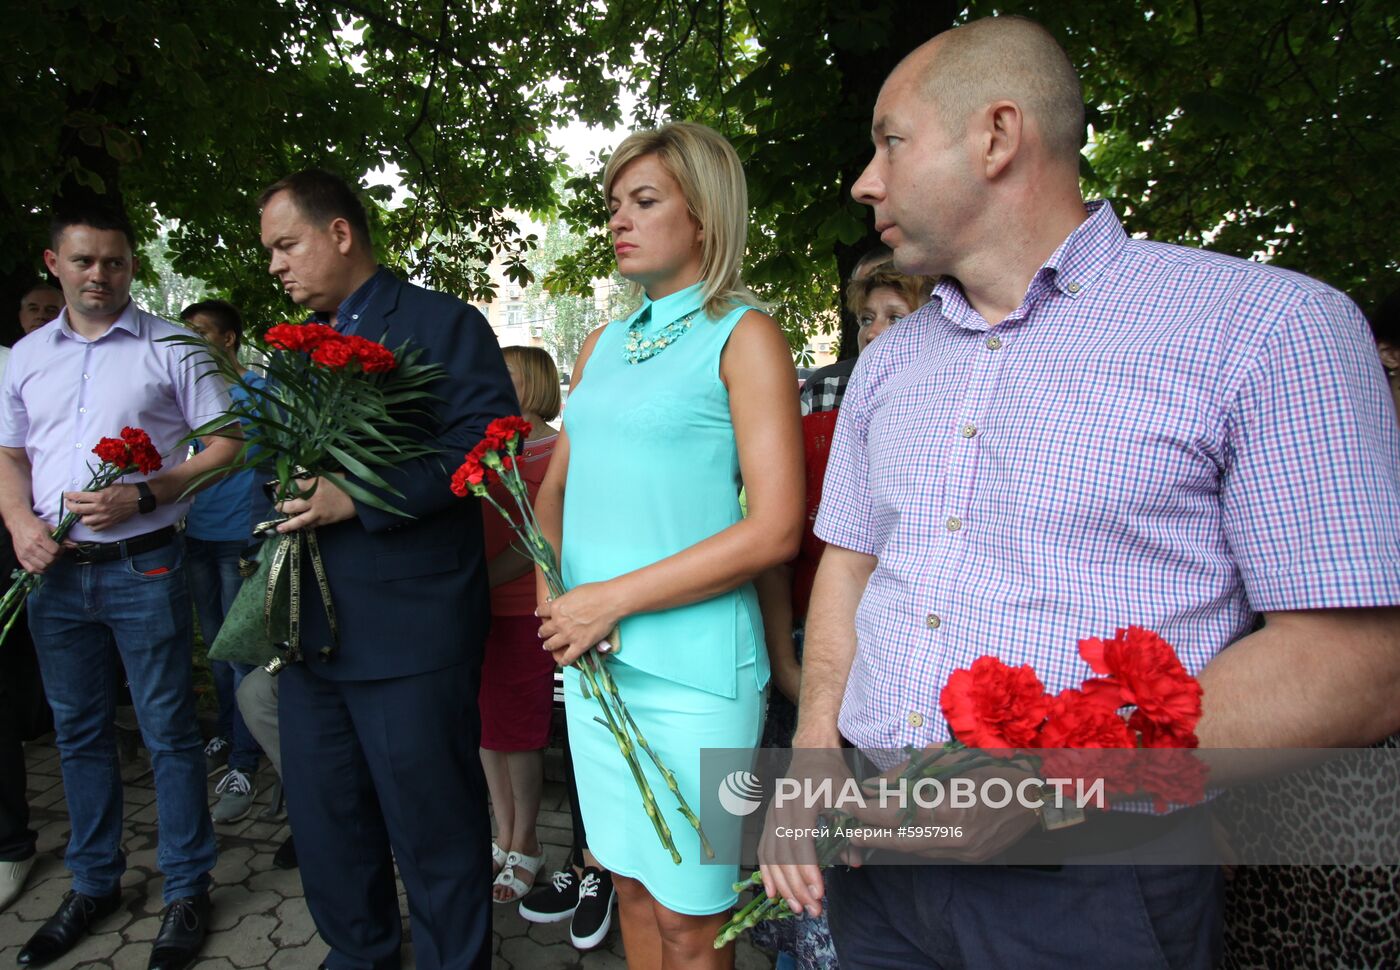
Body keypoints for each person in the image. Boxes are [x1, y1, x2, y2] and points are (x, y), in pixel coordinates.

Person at [761, 15, 1400, 970]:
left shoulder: (1268, 328)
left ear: (998, 135)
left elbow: (1359, 665)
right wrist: (815, 750)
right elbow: (852, 567)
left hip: (1096, 876)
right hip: (878, 866)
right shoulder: (890, 367)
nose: (865, 178)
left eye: (890, 140)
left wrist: (1045, 783)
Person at [535, 121, 804, 969]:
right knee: (629, 885)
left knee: (694, 916)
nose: (618, 218)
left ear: (706, 216)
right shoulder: (601, 345)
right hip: (594, 665)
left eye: (644, 200)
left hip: (696, 679)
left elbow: (775, 528)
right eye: (614, 203)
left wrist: (608, 599)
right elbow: (554, 493)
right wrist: (555, 600)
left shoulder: (745, 334)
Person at [258, 168, 517, 970]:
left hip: (411, 634)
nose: (275, 266)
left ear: (340, 234)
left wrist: (357, 496)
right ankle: (360, 952)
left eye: (285, 245)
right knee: (330, 822)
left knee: (434, 826)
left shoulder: (442, 323)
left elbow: (490, 447)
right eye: (269, 252)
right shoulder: (294, 351)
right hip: (311, 631)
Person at [0, 208, 240, 970]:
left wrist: (152, 491)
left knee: (168, 734)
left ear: (131, 266)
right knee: (77, 734)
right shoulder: (26, 355)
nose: (99, 275)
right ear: (54, 264)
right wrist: (17, 523)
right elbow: (8, 454)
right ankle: (95, 882)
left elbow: (230, 445)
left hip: (145, 564)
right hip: (51, 574)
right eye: (83, 262)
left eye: (114, 262)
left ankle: (185, 889)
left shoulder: (171, 344)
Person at [753, 262, 930, 970]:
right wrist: (788, 663)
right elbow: (786, 540)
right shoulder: (821, 390)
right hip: (812, 639)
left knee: (873, 845)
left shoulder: (959, 396)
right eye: (867, 318)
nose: (878, 332)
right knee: (801, 839)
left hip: (898, 664)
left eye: (897, 314)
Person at [179, 299, 269, 823]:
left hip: (240, 539)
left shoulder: (258, 392)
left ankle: (245, 761)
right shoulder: (186, 394)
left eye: (201, 333)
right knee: (214, 651)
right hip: (198, 536)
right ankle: (228, 734)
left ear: (228, 339)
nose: (190, 342)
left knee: (239, 655)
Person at [480, 345, 560, 904]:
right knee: (488, 732)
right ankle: (502, 836)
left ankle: (526, 840)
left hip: (524, 609)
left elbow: (538, 537)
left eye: (503, 374)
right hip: (479, 609)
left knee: (520, 734)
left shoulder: (555, 448)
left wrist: (477, 582)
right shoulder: (488, 444)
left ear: (532, 384)